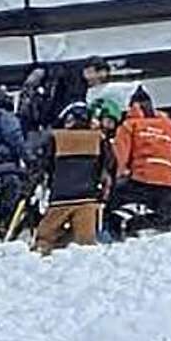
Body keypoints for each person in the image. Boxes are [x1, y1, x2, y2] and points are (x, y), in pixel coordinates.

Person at [110, 88, 171, 236]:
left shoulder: (130, 125)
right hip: (168, 180)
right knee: (167, 214)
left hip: (141, 177)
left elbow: (121, 151)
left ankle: (127, 225)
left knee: (114, 204)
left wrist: (118, 174)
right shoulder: (170, 125)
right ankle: (157, 222)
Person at [33, 102, 109, 254]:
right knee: (86, 246)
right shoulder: (98, 139)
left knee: (44, 238)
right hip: (87, 199)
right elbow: (108, 167)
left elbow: (44, 165)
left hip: (60, 199)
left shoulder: (56, 138)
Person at [18, 55, 112, 133]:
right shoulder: (75, 83)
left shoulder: (70, 72)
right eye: (99, 78)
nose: (98, 83)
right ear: (91, 70)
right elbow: (74, 108)